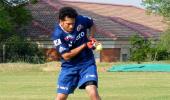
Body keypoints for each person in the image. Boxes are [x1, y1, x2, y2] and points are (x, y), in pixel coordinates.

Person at [51, 6, 101, 100]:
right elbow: (66, 55)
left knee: (93, 92)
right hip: (69, 67)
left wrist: (91, 37)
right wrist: (85, 45)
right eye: (68, 24)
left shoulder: (81, 20)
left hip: (87, 63)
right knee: (61, 97)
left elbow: (92, 23)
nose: (71, 26)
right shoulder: (57, 35)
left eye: (73, 23)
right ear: (61, 21)